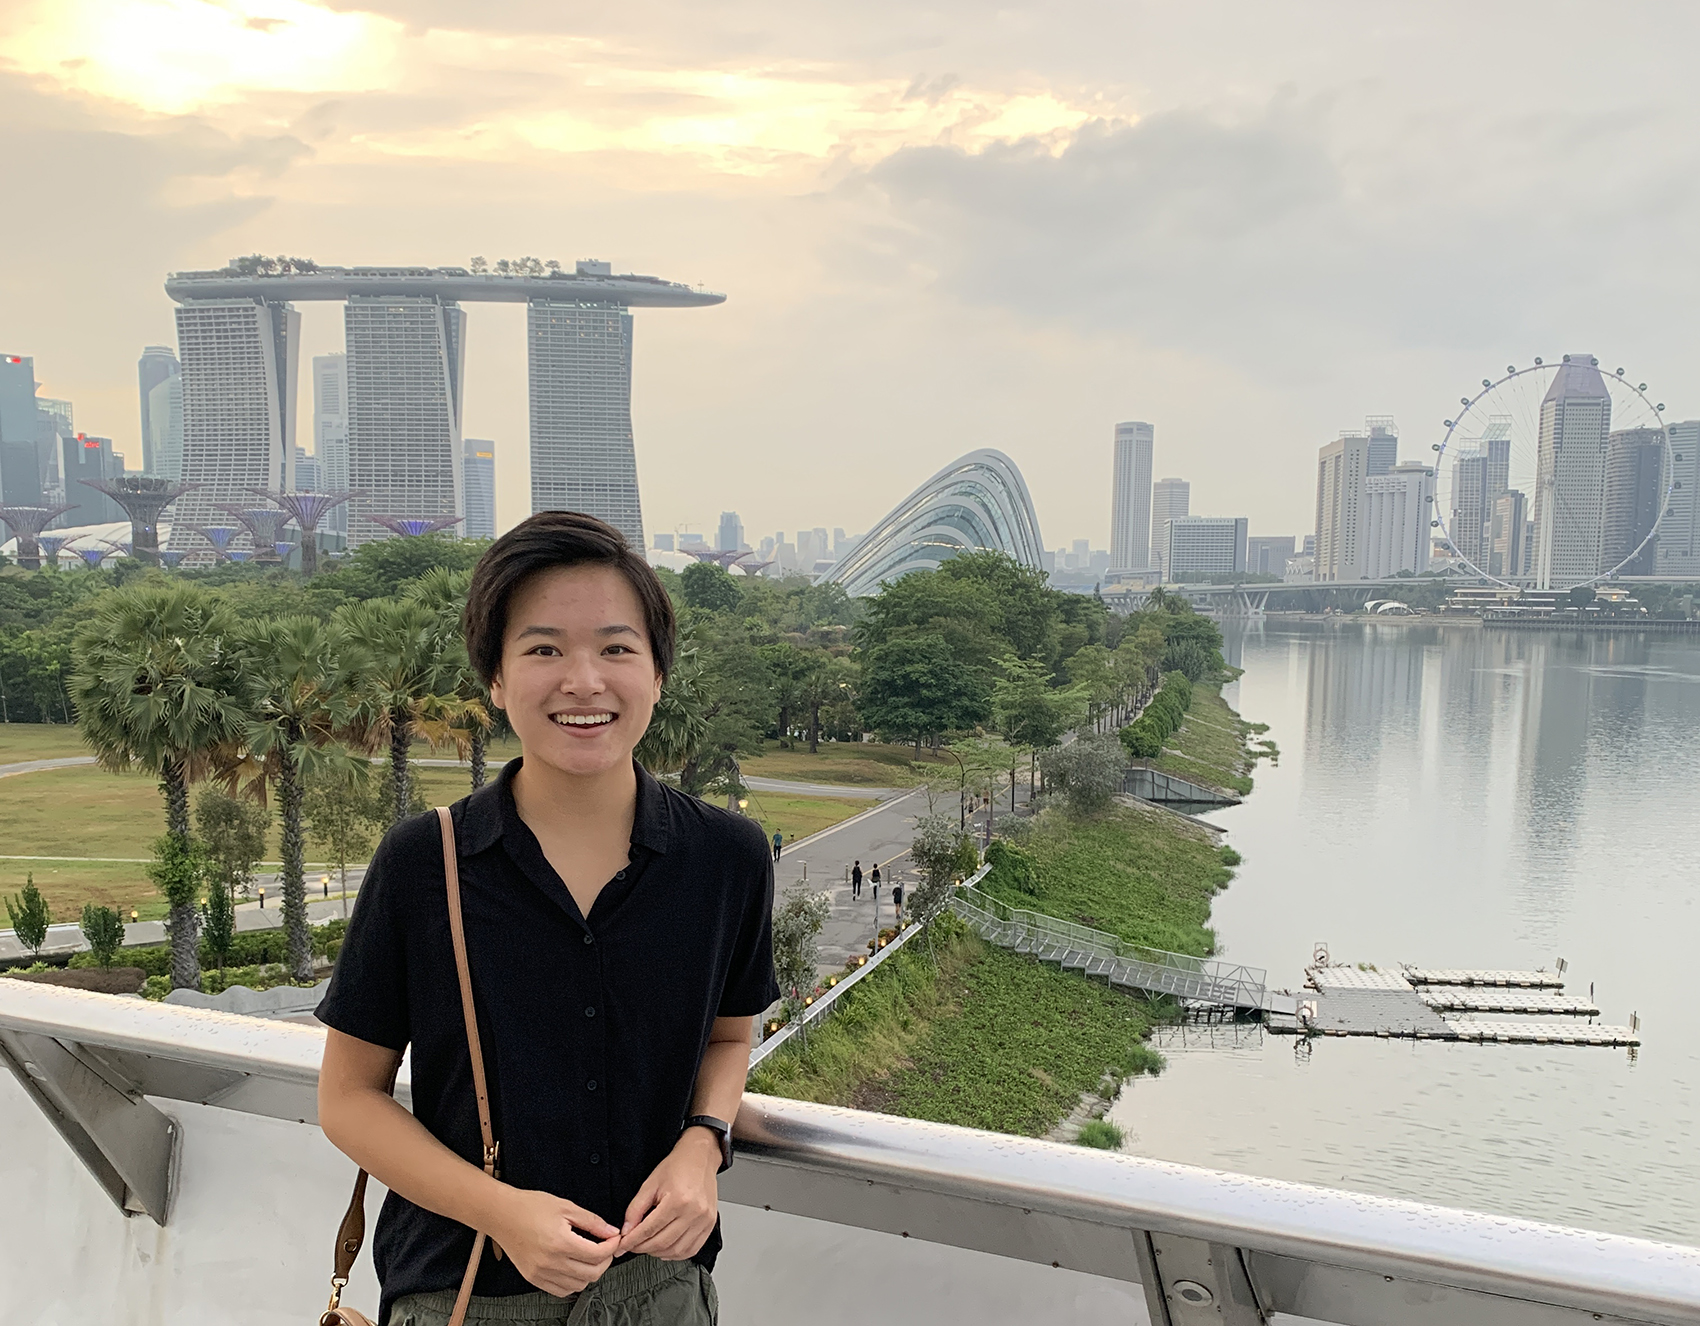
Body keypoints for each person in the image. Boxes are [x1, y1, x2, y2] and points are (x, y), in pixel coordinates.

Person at [316, 511, 778, 1326]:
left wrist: (702, 1144)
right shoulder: (428, 863)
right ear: (494, 680)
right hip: (465, 1290)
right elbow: (349, 1097)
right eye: (543, 650)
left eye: (615, 647)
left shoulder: (727, 858)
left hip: (659, 1289)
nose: (584, 680)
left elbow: (730, 1037)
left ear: (659, 673)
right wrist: (501, 1211)